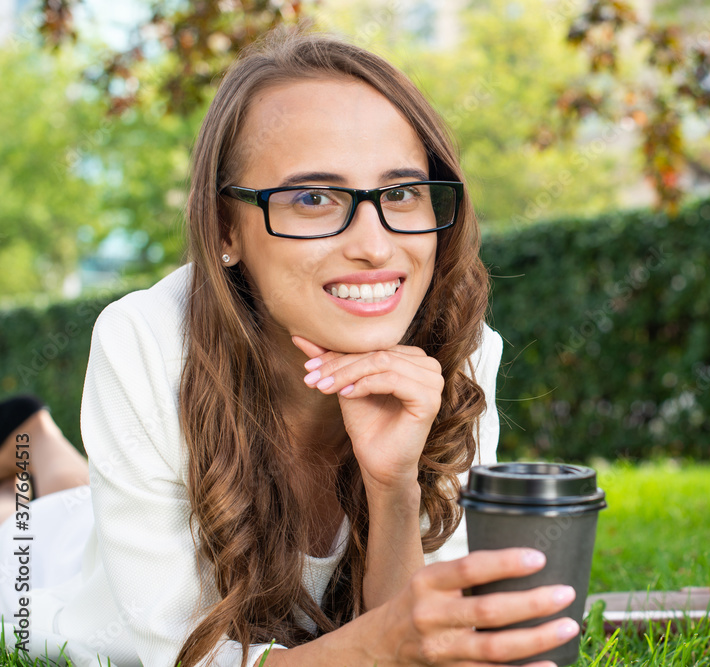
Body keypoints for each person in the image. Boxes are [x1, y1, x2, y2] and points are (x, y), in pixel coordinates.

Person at [0, 30, 579, 667]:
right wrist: (385, 644)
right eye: (312, 197)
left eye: (401, 193)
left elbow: (418, 640)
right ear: (225, 228)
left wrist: (393, 487)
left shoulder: (456, 350)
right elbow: (185, 656)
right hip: (43, 573)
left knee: (63, 487)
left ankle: (32, 441)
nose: (376, 246)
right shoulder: (146, 339)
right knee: (30, 522)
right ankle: (29, 450)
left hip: (104, 511)